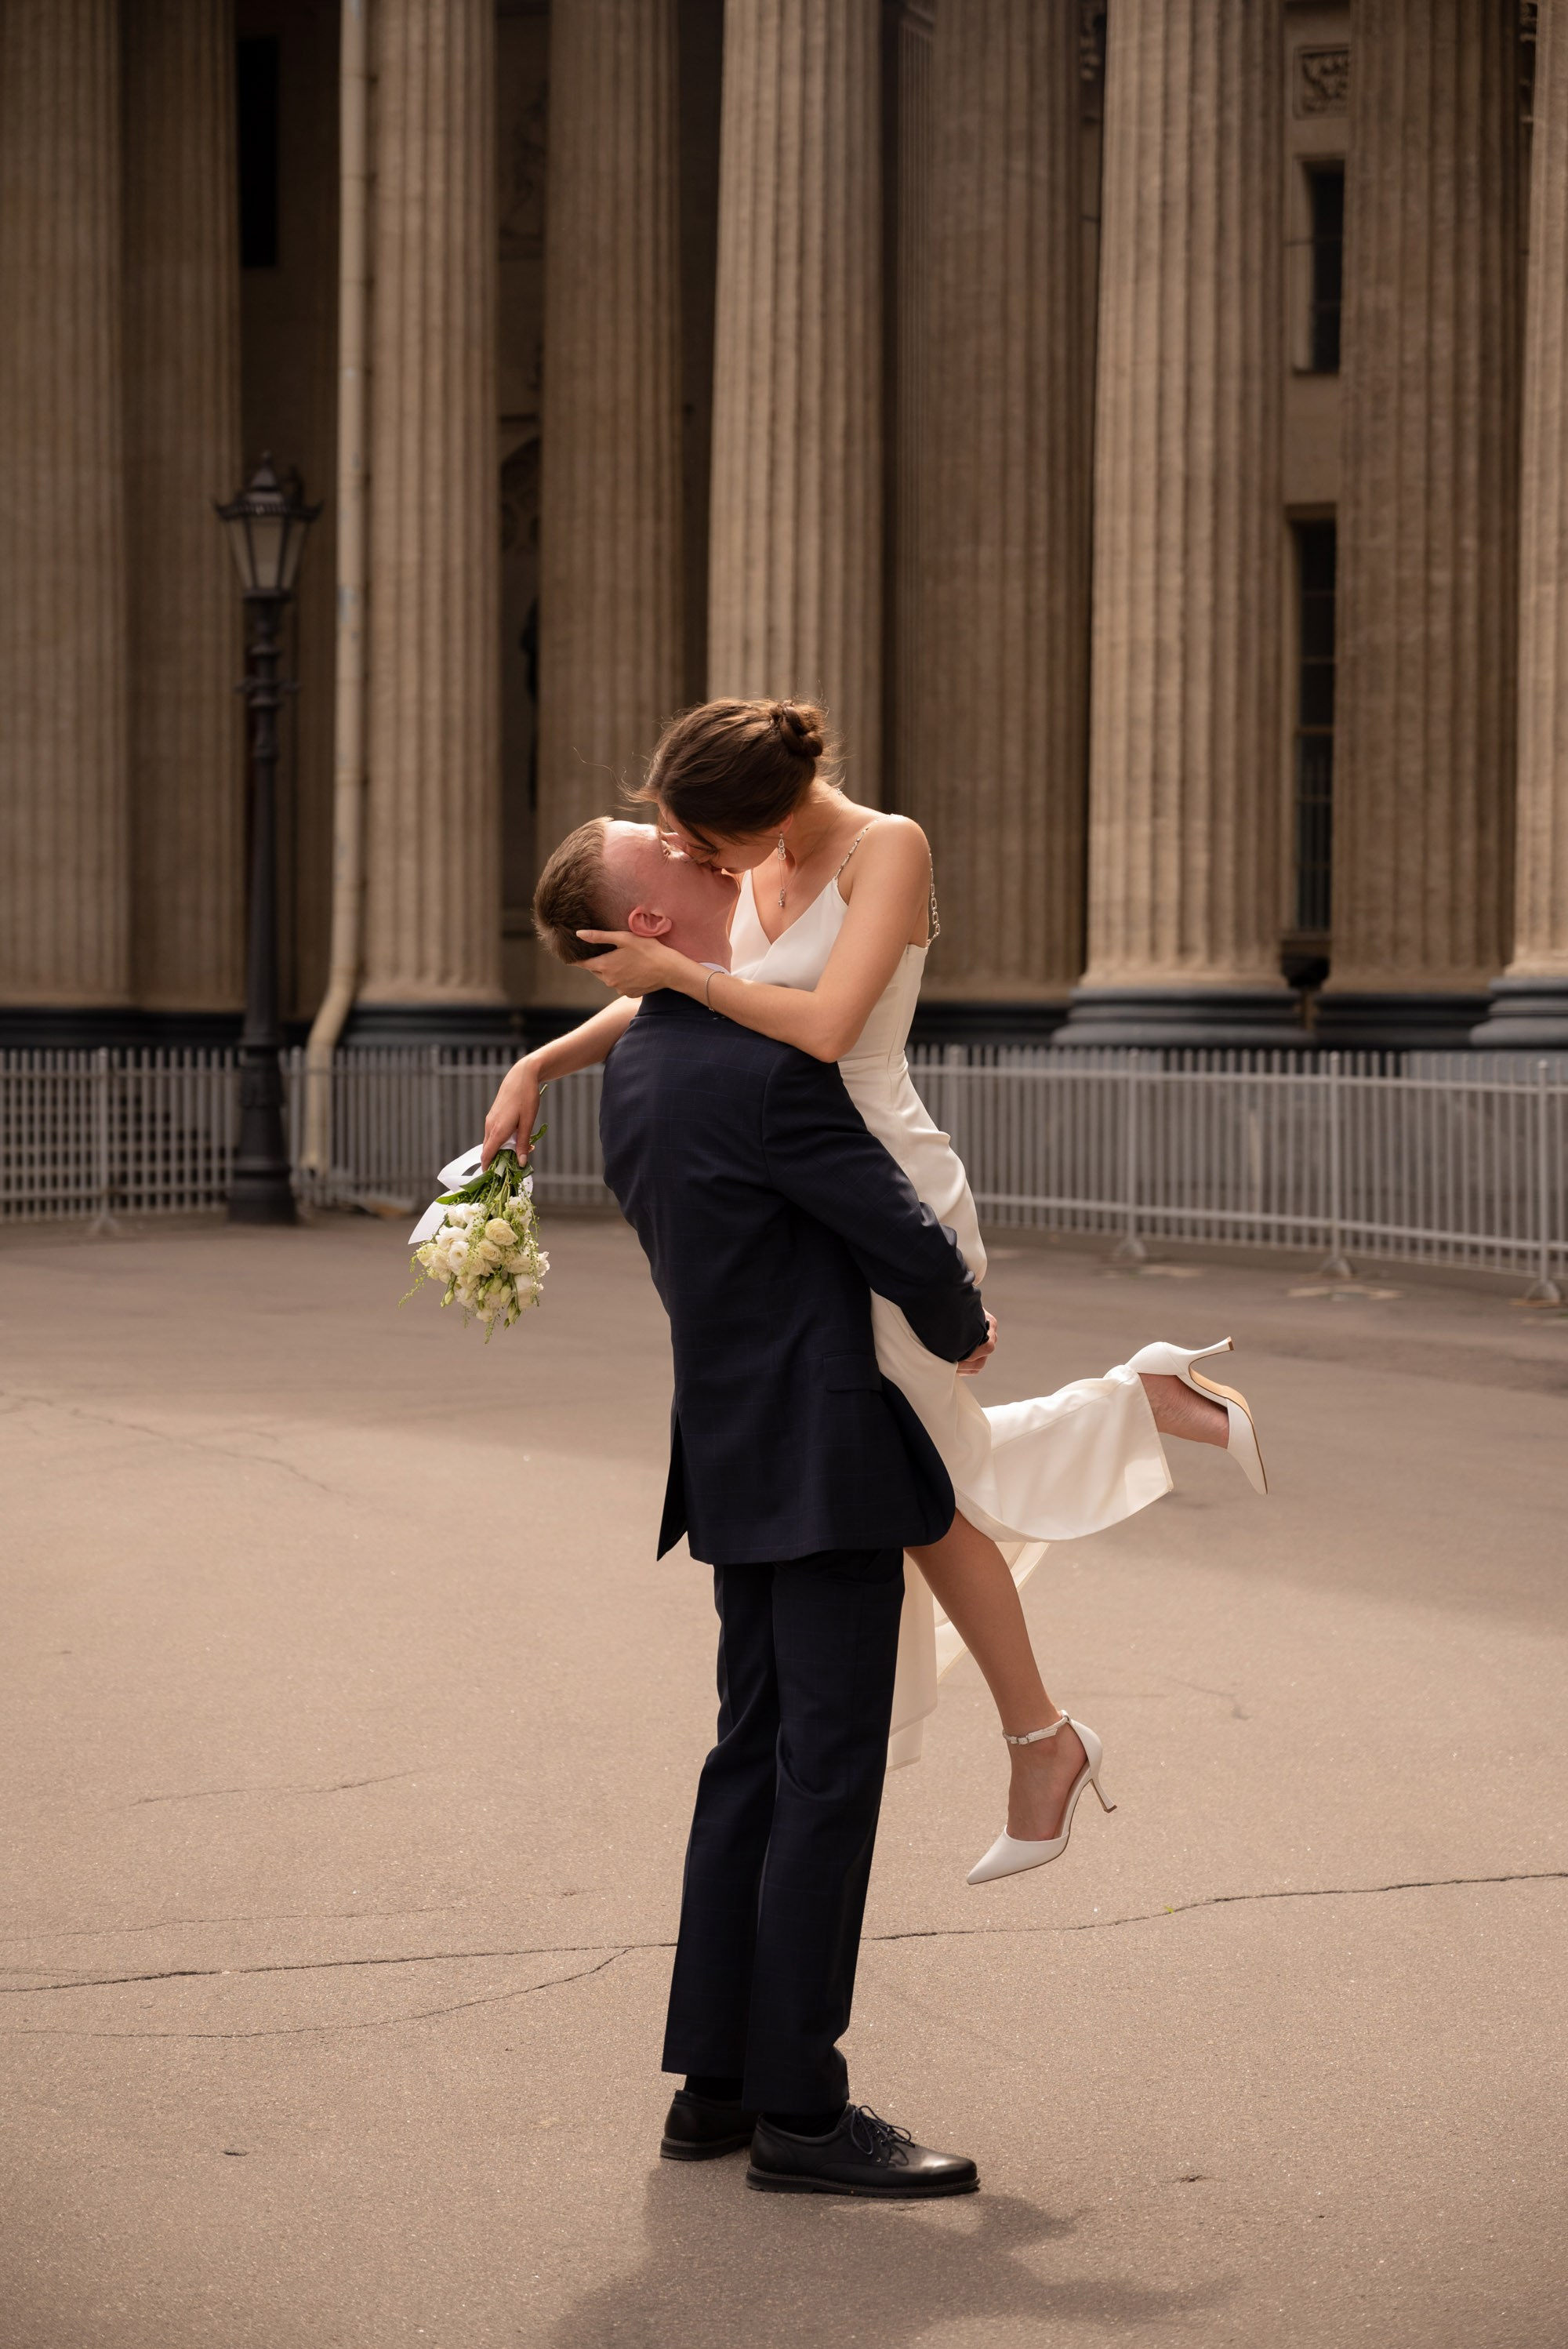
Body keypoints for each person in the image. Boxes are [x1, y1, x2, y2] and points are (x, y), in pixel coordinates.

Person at [485, 699, 1268, 1886]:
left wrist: (676, 970)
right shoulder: (754, 863)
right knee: (919, 1480)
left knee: (916, 1489)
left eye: (706, 843)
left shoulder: (883, 846)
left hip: (883, 1192)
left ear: (764, 814)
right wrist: (541, 1061)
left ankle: (1043, 1734)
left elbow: (822, 1023)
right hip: (799, 1197)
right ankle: (1058, 1682)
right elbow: (681, 994)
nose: (697, 862)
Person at [539, 814, 985, 2196]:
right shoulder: (759, 1065)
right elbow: (887, 1220)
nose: (712, 861)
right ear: (650, 923)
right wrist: (960, 1318)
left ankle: (714, 2087)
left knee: (748, 1765)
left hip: (733, 1454)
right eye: (669, 856)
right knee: (823, 1782)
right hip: (832, 1456)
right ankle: (801, 2109)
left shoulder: (648, 1074)